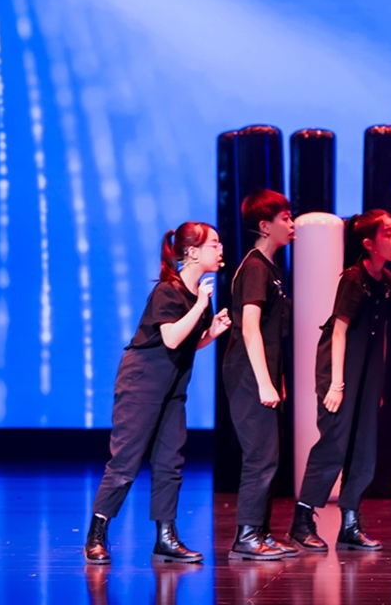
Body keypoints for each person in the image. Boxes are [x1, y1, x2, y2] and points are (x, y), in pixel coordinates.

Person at [84, 223, 231, 564]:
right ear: (192, 252)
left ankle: (166, 536)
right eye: (214, 243)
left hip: (173, 385)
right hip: (142, 382)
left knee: (170, 460)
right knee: (126, 459)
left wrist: (211, 332)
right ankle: (96, 533)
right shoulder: (169, 291)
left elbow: (188, 343)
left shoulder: (199, 296)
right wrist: (200, 306)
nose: (220, 249)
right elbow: (171, 338)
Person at [290, 211, 391, 552]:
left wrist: (376, 384)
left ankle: (350, 523)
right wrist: (337, 385)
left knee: (364, 445)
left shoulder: (388, 281)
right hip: (339, 367)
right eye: (388, 233)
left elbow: (383, 333)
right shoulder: (354, 278)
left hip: (367, 370)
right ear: (369, 244)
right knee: (334, 442)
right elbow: (339, 331)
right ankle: (302, 520)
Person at [223, 189, 295, 560]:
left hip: (263, 371)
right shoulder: (254, 268)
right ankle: (247, 535)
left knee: (270, 454)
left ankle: (261, 532)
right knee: (260, 456)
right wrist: (264, 382)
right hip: (248, 374)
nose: (292, 224)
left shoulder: (271, 268)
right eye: (285, 218)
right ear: (265, 226)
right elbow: (250, 327)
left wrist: (276, 378)